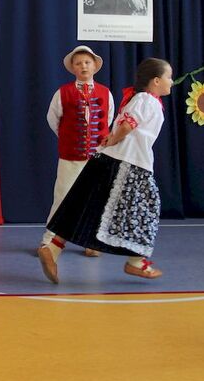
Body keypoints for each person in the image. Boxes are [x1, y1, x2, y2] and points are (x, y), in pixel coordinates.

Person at [39, 58, 173, 284]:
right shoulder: (147, 100)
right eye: (169, 77)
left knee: (89, 205)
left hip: (112, 160)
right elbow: (128, 125)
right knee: (146, 207)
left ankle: (53, 248)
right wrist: (113, 139)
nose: (171, 81)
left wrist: (111, 141)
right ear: (156, 81)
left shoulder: (140, 99)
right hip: (128, 164)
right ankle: (136, 262)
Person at [41, 45, 115, 257]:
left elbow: (107, 120)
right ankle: (49, 241)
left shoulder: (105, 92)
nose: (83, 66)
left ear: (94, 66)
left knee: (95, 199)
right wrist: (69, 138)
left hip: (97, 157)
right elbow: (53, 119)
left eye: (87, 62)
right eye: (79, 63)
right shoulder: (63, 93)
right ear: (72, 68)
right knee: (62, 197)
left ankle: (91, 241)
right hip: (70, 156)